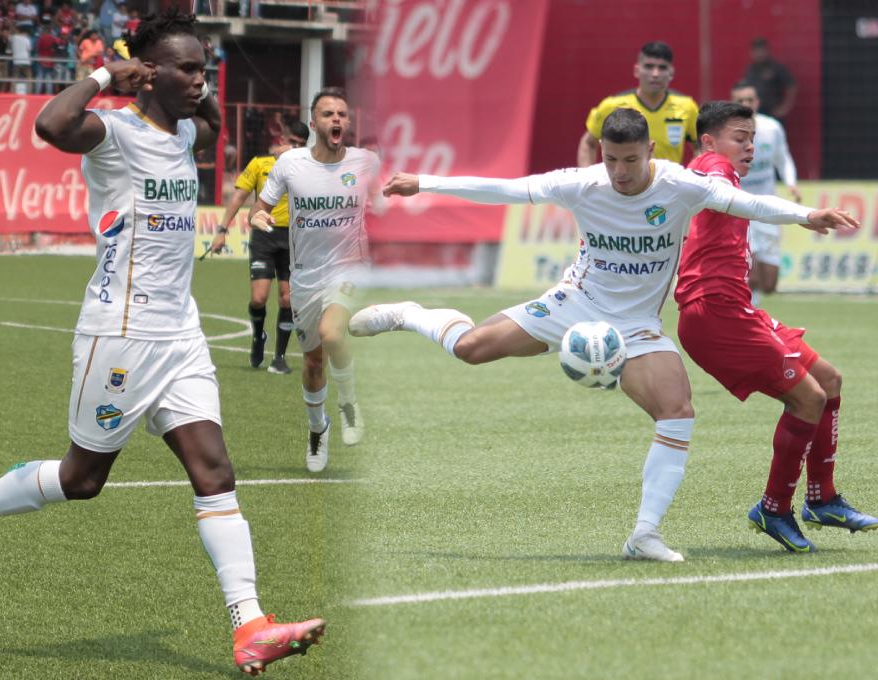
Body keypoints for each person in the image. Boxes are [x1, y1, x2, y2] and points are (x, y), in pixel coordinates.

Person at [0, 10, 324, 676]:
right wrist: (110, 73)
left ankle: (249, 626)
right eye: (187, 69)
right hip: (120, 333)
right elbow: (49, 125)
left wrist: (181, 80)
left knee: (215, 473)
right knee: (83, 481)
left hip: (180, 332)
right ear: (150, 71)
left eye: (202, 68)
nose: (200, 80)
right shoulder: (113, 131)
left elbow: (213, 119)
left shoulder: (189, 130)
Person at [354, 108, 858, 562]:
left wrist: (806, 215)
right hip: (574, 303)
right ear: (603, 153)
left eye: (630, 161)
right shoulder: (582, 183)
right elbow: (505, 189)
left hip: (637, 326)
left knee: (677, 411)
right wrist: (425, 183)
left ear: (650, 153)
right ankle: (408, 314)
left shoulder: (681, 185)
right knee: (469, 349)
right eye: (613, 159)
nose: (620, 172)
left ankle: (645, 534)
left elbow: (743, 202)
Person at [674, 101, 875, 553]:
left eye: (752, 139)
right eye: (740, 137)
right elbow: (741, 199)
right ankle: (774, 508)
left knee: (828, 379)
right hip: (714, 316)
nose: (749, 146)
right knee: (809, 398)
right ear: (709, 141)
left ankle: (822, 499)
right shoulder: (712, 167)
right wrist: (805, 216)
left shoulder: (721, 175)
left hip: (736, 309)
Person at [247, 87, 381, 472]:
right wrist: (259, 218)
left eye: (342, 113)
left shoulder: (365, 161)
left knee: (332, 332)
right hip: (304, 274)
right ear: (313, 123)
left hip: (350, 267)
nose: (336, 119)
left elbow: (387, 199)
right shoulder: (290, 163)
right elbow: (261, 207)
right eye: (327, 114)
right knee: (311, 363)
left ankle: (349, 404)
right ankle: (317, 430)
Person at [210, 121, 310, 375]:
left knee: (288, 298)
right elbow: (239, 197)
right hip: (264, 235)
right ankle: (258, 336)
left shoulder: (310, 166)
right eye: (292, 141)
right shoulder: (260, 163)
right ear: (283, 139)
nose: (295, 146)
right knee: (258, 298)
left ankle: (279, 358)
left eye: (300, 143)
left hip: (294, 238)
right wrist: (222, 230)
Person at [730, 81, 800, 306]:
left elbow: (783, 158)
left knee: (770, 283)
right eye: (740, 101)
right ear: (733, 103)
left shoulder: (772, 129)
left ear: (757, 102)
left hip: (768, 210)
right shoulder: (727, 134)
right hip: (742, 210)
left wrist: (791, 183)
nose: (745, 104)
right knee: (753, 276)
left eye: (749, 100)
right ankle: (750, 315)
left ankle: (753, 307)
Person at [578, 41, 698, 167]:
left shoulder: (687, 107)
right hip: (624, 184)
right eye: (649, 66)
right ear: (637, 70)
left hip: (669, 185)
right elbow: (588, 143)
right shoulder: (613, 106)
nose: (655, 74)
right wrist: (588, 179)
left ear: (671, 73)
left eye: (662, 68)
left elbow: (700, 147)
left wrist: (692, 176)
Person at [743, 37, 796, 122]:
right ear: (751, 52)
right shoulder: (750, 70)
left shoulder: (776, 68)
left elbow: (792, 86)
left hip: (773, 113)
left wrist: (784, 108)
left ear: (767, 51)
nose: (759, 54)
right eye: (756, 51)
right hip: (757, 113)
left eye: (761, 51)